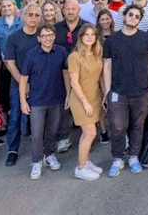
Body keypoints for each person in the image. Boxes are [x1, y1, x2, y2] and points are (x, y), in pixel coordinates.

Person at [103, 5, 148, 176]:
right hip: (118, 92)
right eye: (130, 15)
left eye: (136, 17)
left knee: (137, 126)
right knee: (118, 127)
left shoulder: (147, 38)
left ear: (139, 20)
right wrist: (107, 91)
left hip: (141, 92)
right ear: (124, 17)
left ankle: (134, 157)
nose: (133, 18)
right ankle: (117, 159)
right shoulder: (112, 40)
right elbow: (107, 65)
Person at [18, 26, 68, 181]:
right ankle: (37, 161)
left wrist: (69, 94)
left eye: (51, 35)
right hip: (37, 100)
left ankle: (50, 154)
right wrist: (22, 101)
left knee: (52, 130)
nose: (48, 38)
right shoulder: (31, 54)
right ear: (38, 38)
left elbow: (66, 74)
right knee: (37, 132)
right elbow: (23, 79)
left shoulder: (61, 51)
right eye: (44, 36)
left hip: (57, 98)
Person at [2, 4, 43, 166]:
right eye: (30, 14)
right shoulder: (14, 38)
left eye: (37, 15)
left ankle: (42, 150)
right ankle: (13, 150)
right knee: (15, 119)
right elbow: (10, 63)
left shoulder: (43, 36)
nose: (33, 18)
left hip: (40, 85)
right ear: (23, 16)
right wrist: (23, 84)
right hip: (17, 85)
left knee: (39, 119)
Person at [66, 24, 105, 180]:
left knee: (86, 134)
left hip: (95, 97)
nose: (90, 37)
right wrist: (85, 102)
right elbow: (74, 83)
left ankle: (85, 161)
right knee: (90, 133)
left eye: (93, 34)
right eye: (86, 34)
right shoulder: (74, 56)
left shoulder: (97, 54)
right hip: (81, 99)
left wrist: (104, 95)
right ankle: (81, 168)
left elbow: (101, 76)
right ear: (80, 37)